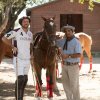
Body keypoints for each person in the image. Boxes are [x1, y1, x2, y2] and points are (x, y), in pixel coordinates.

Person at [2, 16, 33, 100]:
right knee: (20, 79)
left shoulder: (30, 34)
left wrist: (32, 55)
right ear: (21, 23)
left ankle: (20, 97)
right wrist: (12, 46)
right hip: (18, 59)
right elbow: (4, 38)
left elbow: (30, 45)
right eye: (24, 21)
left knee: (25, 79)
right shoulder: (15, 31)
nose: (26, 23)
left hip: (27, 59)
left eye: (27, 21)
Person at [56, 25, 82, 100]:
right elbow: (54, 42)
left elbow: (79, 54)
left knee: (74, 85)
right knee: (66, 86)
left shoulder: (76, 42)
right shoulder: (63, 41)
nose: (68, 32)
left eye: (69, 31)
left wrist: (68, 56)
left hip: (73, 66)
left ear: (73, 32)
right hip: (64, 66)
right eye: (66, 31)